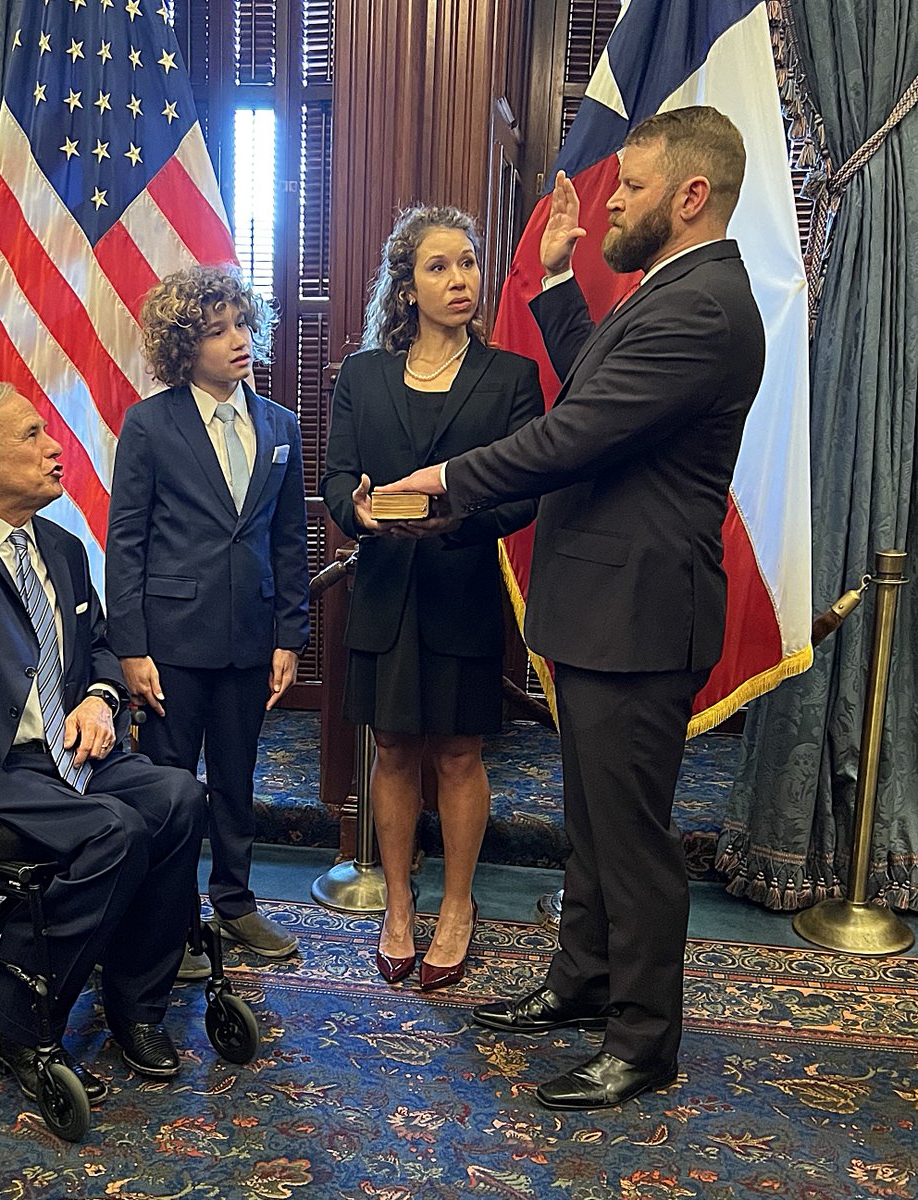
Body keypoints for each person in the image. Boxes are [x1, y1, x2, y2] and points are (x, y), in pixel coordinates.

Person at [381, 107, 766, 1106]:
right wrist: (553, 281)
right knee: (591, 828)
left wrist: (444, 476)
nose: (610, 204)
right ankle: (582, 984)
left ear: (688, 197)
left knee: (630, 844)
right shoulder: (673, 292)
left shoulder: (702, 306)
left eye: (628, 188)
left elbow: (578, 431)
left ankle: (640, 1042)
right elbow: (603, 376)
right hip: (606, 611)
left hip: (637, 618)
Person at [0, 310, 207, 1101]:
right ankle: (15, 1024)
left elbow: (94, 645)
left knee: (178, 796)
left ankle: (135, 1005)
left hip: (70, 752)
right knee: (113, 831)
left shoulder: (59, 545)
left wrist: (98, 698)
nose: (56, 446)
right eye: (31, 435)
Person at [321, 205, 543, 991]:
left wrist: (458, 518)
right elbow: (335, 478)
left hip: (462, 588)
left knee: (457, 751)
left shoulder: (511, 378)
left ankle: (456, 905)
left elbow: (525, 493)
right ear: (406, 285)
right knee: (395, 748)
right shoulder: (363, 375)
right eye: (439, 266)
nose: (460, 280)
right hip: (385, 587)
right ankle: (399, 908)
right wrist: (359, 510)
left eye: (469, 263)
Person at [106, 266, 310, 978]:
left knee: (236, 776)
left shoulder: (280, 425)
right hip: (170, 644)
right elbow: (125, 541)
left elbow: (289, 542)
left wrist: (290, 635)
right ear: (183, 347)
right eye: (217, 330)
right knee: (170, 785)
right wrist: (130, 647)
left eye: (242, 325)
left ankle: (235, 899)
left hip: (251, 640)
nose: (238, 341)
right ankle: (172, 919)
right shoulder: (149, 423)